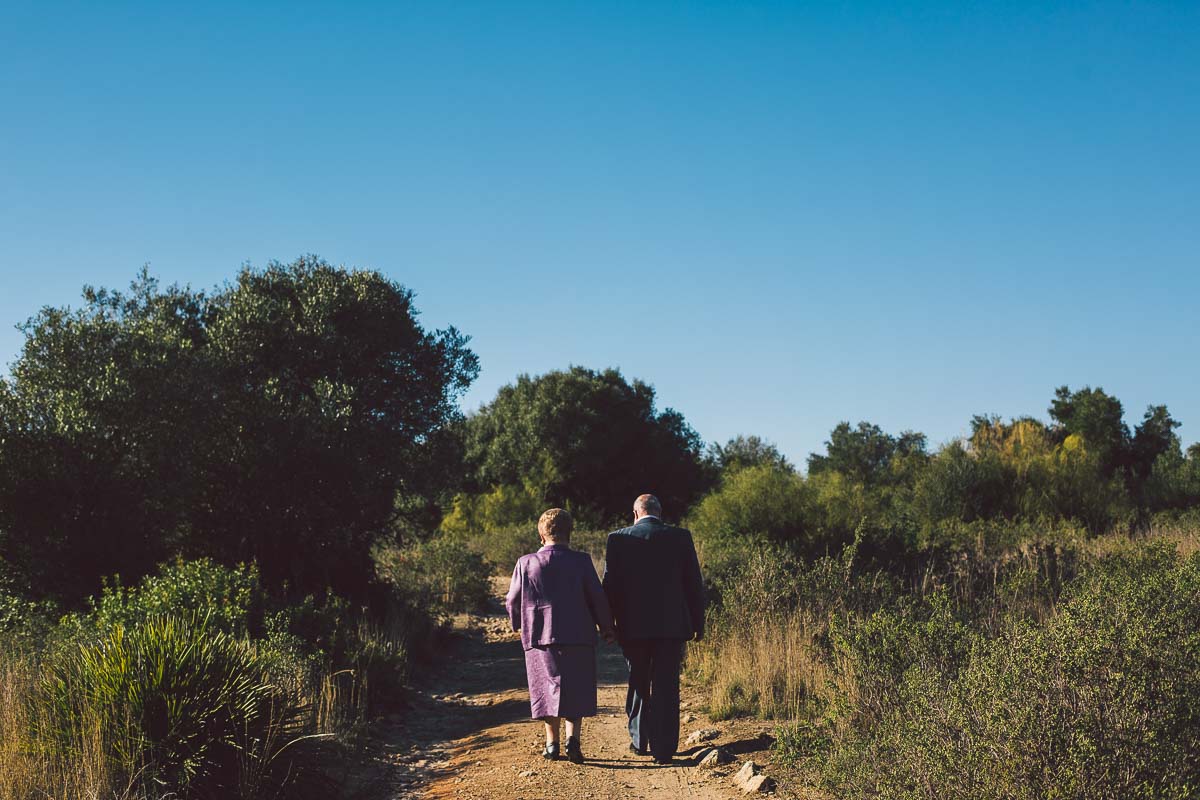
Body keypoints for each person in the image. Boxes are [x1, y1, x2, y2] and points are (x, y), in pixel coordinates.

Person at [506, 508, 615, 764]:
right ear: (569, 533)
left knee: (545, 688)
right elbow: (597, 598)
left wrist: (517, 624)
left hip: (540, 637)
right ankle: (573, 740)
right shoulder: (582, 561)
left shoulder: (526, 563)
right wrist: (607, 627)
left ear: (541, 535)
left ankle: (552, 743)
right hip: (578, 634)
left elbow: (512, 599)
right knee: (576, 687)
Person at [602, 493, 705, 764]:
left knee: (638, 680)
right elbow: (694, 584)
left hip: (632, 626)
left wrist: (608, 624)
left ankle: (639, 741)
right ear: (660, 512)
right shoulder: (681, 537)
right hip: (672, 626)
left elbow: (610, 585)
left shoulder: (618, 538)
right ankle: (664, 748)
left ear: (635, 514)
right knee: (667, 685)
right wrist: (698, 623)